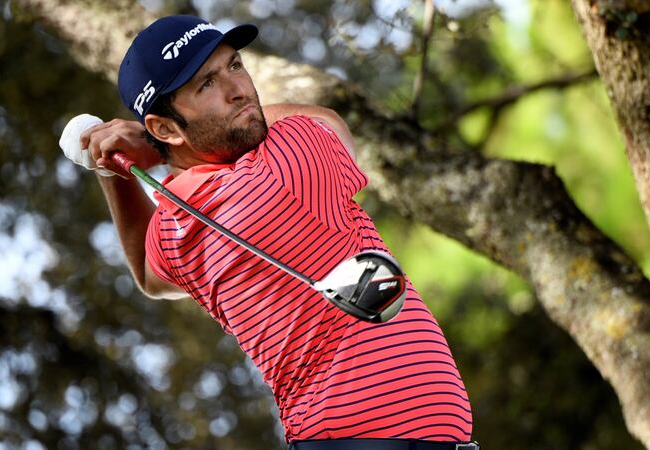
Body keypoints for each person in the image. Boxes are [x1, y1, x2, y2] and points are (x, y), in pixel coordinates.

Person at [69, 15, 477, 450]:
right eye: (206, 84)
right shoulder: (291, 157)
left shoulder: (174, 236)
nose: (237, 89)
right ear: (164, 127)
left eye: (234, 66)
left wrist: (113, 169)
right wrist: (149, 150)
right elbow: (328, 120)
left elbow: (147, 276)